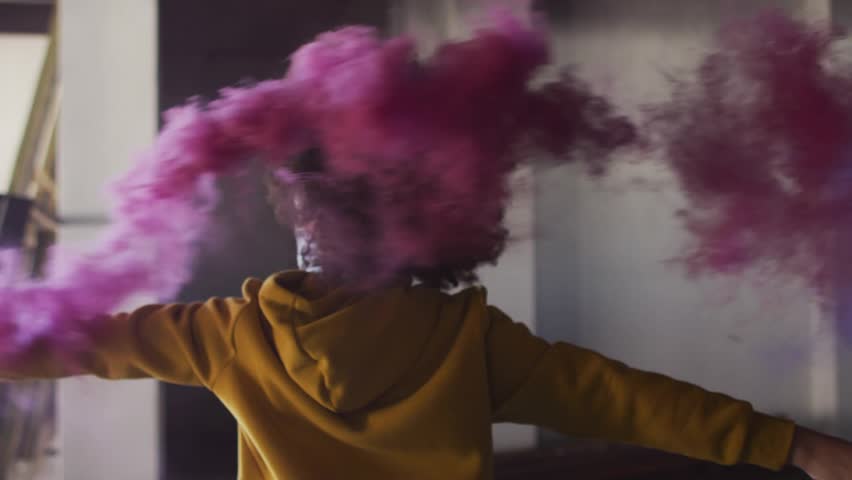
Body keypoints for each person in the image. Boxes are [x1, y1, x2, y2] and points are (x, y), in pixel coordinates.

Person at [0, 145, 849, 480]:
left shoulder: (228, 337)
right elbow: (621, 397)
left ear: (296, 214)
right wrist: (798, 446)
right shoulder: (466, 341)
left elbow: (77, 343)